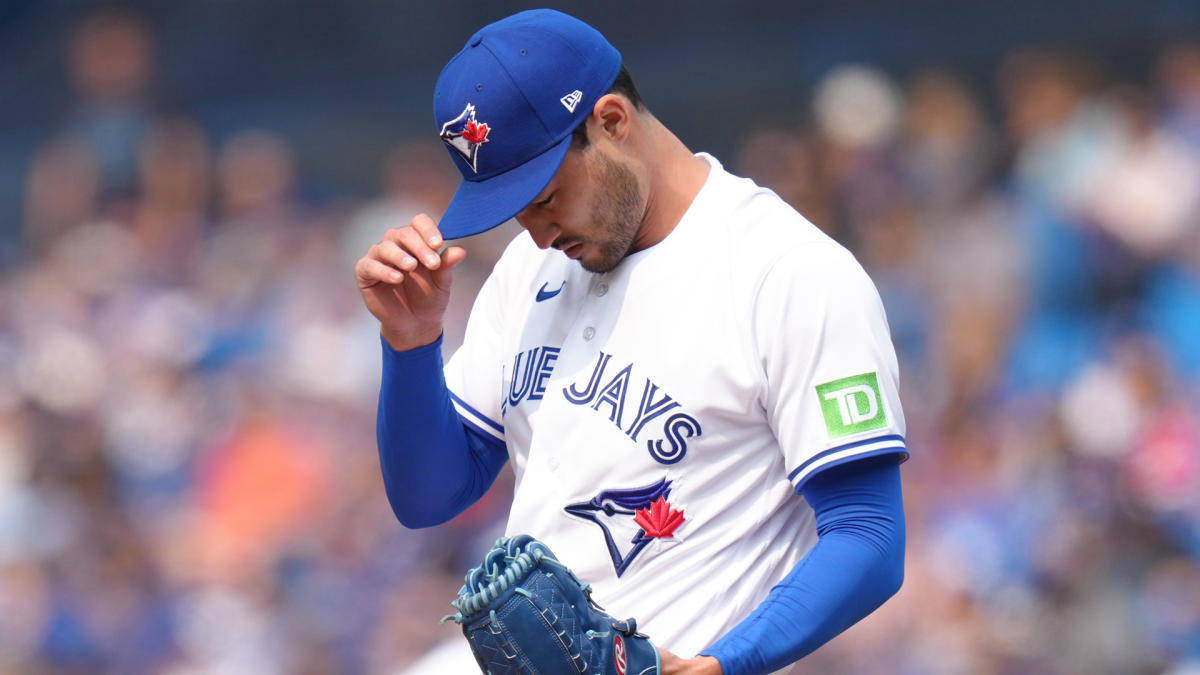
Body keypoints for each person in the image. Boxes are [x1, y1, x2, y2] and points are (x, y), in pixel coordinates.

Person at [356, 10, 907, 674]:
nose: (536, 232)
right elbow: (428, 496)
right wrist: (411, 345)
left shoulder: (787, 273)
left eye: (545, 196)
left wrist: (721, 663)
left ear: (611, 122)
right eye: (516, 210)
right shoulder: (532, 269)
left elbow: (869, 535)